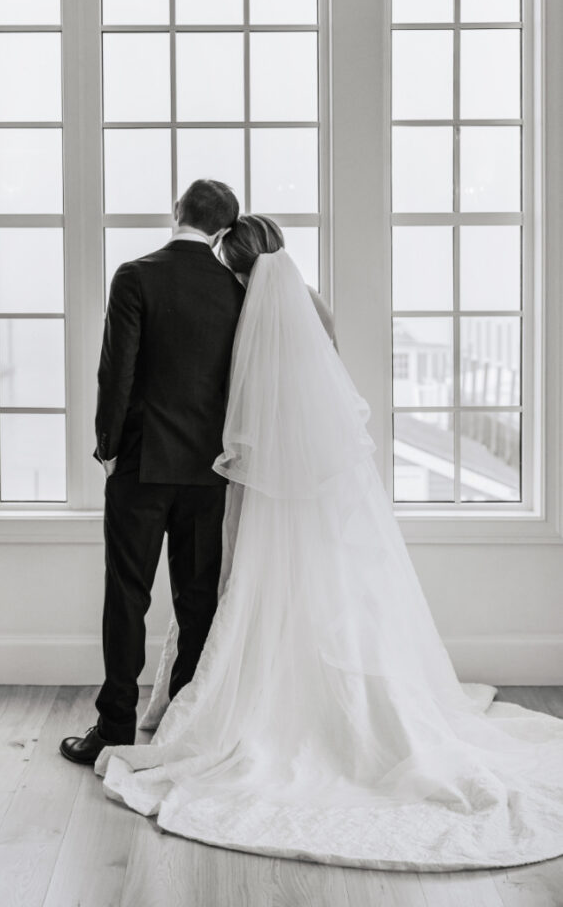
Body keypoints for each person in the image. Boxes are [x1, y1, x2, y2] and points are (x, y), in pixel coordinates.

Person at [94, 214, 563, 872]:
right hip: (316, 480)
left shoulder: (246, 310)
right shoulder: (309, 306)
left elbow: (238, 401)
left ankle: (229, 714)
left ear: (239, 262)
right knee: (321, 599)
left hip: (258, 482)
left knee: (246, 594)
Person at [59, 179, 245, 766]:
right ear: (223, 230)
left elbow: (115, 371)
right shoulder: (238, 289)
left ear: (177, 211)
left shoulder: (135, 275)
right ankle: (182, 728)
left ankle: (114, 728)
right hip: (210, 470)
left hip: (141, 464)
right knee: (198, 602)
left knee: (126, 596)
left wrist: (108, 448)